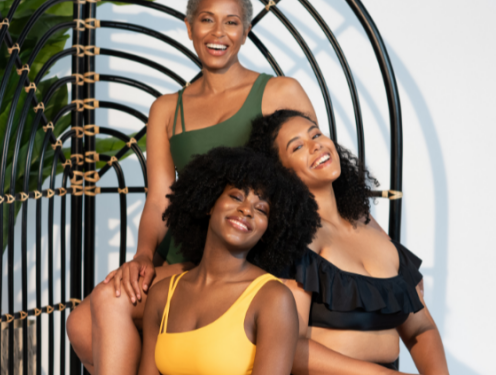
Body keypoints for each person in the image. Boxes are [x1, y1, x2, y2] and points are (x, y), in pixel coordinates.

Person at [66, 0, 317, 373]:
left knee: (106, 304)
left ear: (245, 32)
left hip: (244, 247)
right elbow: (159, 199)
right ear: (188, 27)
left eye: (231, 22)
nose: (218, 33)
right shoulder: (166, 109)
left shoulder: (280, 91)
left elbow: (316, 177)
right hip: (186, 254)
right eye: (206, 20)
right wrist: (144, 257)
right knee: (80, 324)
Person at [247, 110, 450, 375]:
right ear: (281, 173)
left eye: (316, 134)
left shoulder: (372, 231)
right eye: (297, 146)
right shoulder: (296, 241)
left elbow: (421, 328)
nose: (315, 145)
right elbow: (287, 348)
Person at [137, 147, 320, 375]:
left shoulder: (272, 299)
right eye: (236, 196)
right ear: (210, 203)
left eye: (261, 209)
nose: (246, 210)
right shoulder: (162, 295)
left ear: (269, 230)